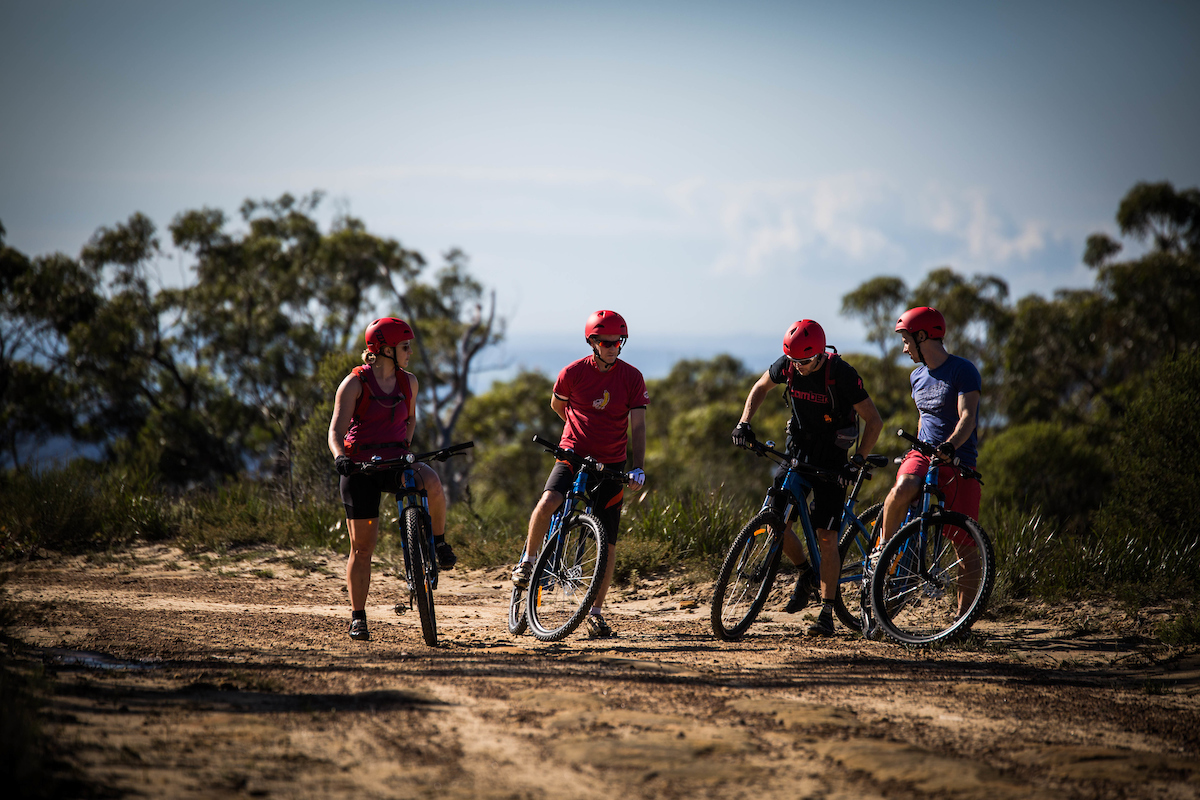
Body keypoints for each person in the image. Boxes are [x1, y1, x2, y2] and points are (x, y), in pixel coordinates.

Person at [732, 319, 882, 637]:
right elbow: (760, 387)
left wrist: (858, 460)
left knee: (826, 537)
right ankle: (805, 573)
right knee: (773, 520)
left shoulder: (841, 373)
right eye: (793, 361)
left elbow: (874, 420)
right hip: (796, 455)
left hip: (833, 464)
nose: (798, 367)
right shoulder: (787, 365)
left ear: (819, 354)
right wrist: (744, 421)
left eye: (804, 362)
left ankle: (827, 613)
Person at [511, 310, 649, 639]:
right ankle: (528, 562)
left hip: (612, 462)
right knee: (548, 503)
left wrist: (638, 465)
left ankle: (596, 614)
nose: (612, 346)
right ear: (592, 342)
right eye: (605, 342)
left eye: (617, 341)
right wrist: (575, 432)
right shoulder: (572, 373)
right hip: (572, 453)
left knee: (609, 542)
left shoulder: (632, 378)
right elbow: (558, 406)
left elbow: (639, 426)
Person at [328, 317, 456, 642]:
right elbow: (335, 432)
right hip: (360, 468)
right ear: (385, 349)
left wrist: (405, 447)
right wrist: (340, 458)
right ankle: (358, 617)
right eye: (405, 347)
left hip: (397, 460)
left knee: (433, 483)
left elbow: (410, 419)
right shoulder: (355, 383)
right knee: (362, 547)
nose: (410, 352)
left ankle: (438, 543)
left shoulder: (408, 382)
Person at [876, 306, 983, 617]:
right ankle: (883, 551)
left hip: (957, 459)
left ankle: (963, 621)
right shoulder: (916, 376)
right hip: (922, 454)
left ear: (923, 337)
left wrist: (950, 446)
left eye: (907, 341)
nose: (904, 348)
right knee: (902, 488)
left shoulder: (963, 370)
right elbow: (925, 418)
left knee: (965, 548)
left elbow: (967, 418)